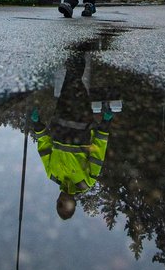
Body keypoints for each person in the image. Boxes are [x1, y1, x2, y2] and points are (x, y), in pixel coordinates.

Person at [29, 53, 116, 220]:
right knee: (74, 82)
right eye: (66, 206)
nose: (62, 201)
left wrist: (37, 124)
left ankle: (76, 52)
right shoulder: (86, 182)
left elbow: (44, 145)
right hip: (81, 120)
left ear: (57, 200)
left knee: (70, 82)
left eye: (59, 204)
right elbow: (99, 151)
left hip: (61, 117)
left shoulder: (52, 174)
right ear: (74, 204)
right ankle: (77, 52)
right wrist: (105, 124)